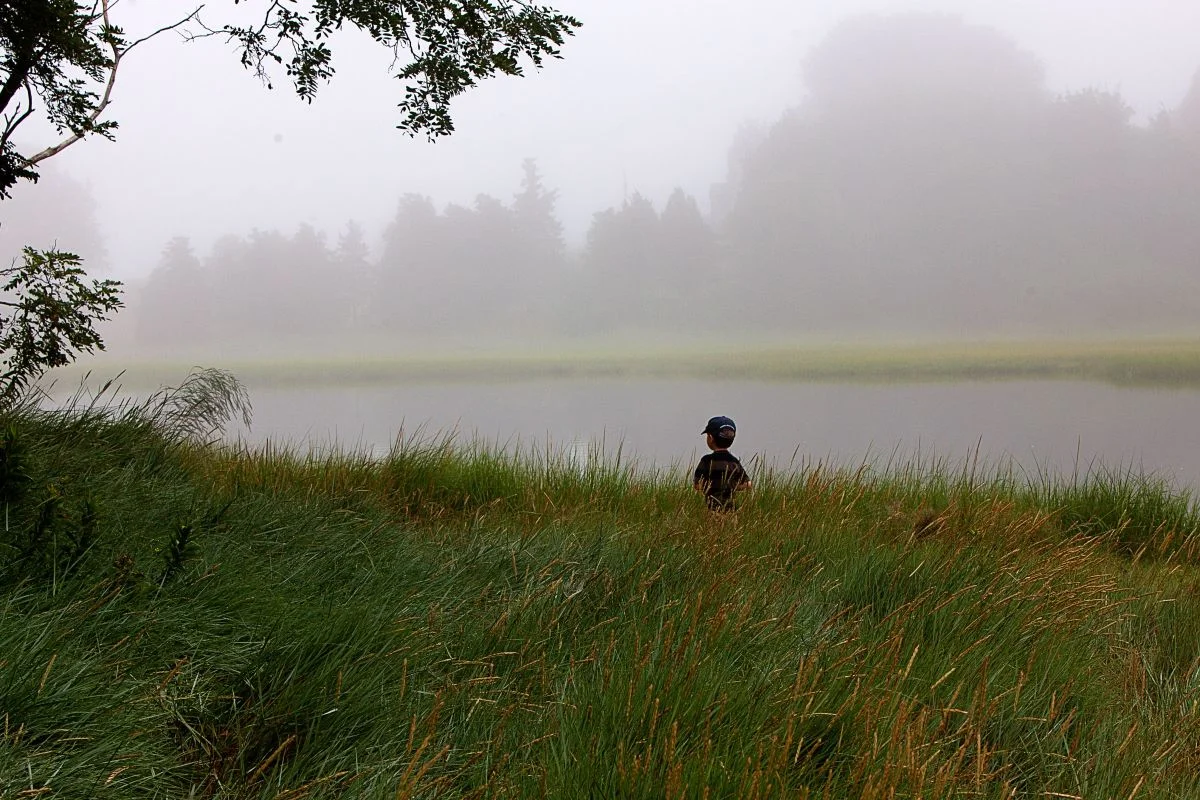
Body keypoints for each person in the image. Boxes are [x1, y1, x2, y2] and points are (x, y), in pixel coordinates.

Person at [693, 415, 751, 511]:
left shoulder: (707, 461)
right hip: (731, 510)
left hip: (711, 508)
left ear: (710, 438)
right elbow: (747, 484)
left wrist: (711, 487)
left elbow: (697, 485)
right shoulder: (734, 462)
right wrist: (731, 486)